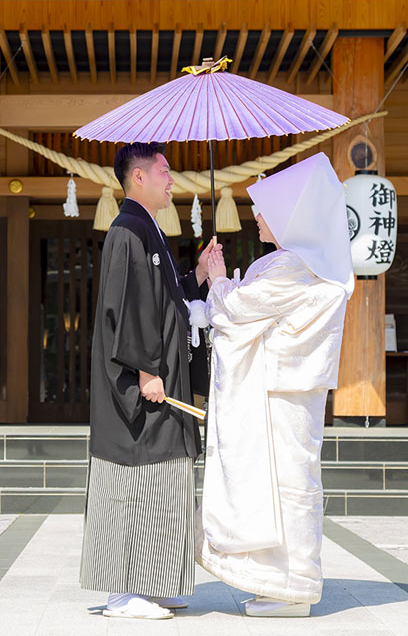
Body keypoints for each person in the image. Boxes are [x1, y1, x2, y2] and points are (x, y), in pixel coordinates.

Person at [195, 152, 354, 618]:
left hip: (279, 390)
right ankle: (282, 581)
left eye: (265, 210)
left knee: (285, 483)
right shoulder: (310, 262)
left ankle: (294, 586)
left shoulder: (289, 266)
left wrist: (220, 279)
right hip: (289, 387)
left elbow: (236, 311)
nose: (257, 218)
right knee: (288, 481)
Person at [80, 142, 218, 621]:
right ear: (138, 177)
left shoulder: (149, 229)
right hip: (141, 388)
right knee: (136, 481)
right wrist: (145, 370)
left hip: (159, 381)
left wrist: (198, 274)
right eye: (164, 171)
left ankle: (156, 581)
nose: (171, 179)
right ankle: (127, 590)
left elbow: (165, 300)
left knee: (166, 479)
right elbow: (128, 306)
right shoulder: (127, 229)